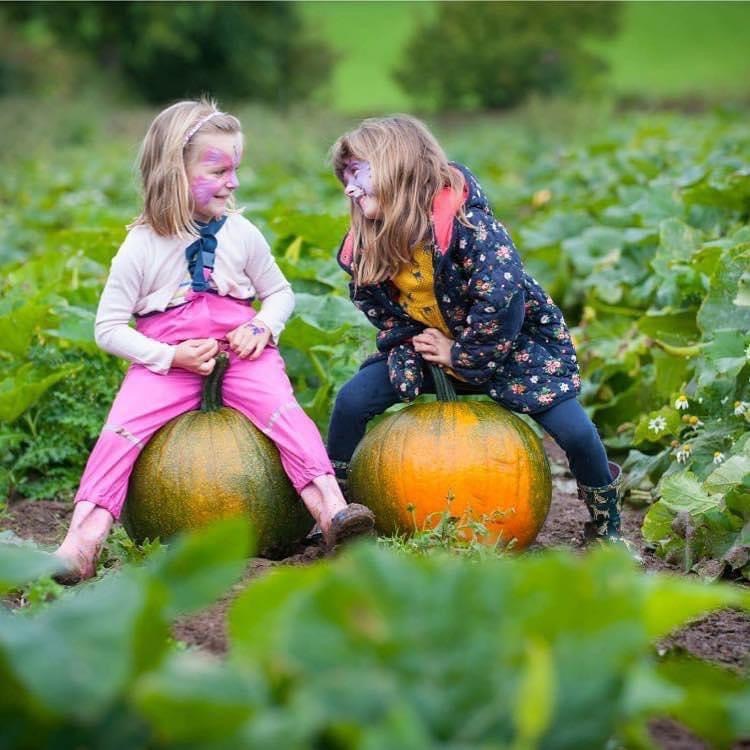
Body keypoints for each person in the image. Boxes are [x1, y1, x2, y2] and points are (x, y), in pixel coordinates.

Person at [53, 100, 374, 582]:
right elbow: (108, 328)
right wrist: (167, 356)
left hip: (243, 352)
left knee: (285, 414)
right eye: (219, 169)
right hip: (168, 360)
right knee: (120, 432)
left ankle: (332, 512)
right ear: (172, 173)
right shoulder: (140, 246)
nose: (234, 181)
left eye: (235, 169)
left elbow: (280, 293)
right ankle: (82, 542)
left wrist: (263, 327)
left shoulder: (242, 233)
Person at [327, 114, 626, 544]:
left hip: (508, 349)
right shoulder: (367, 244)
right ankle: (337, 511)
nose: (350, 188)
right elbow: (379, 307)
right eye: (345, 177)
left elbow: (502, 302)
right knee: (353, 400)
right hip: (431, 348)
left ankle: (607, 528)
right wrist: (412, 345)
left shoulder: (471, 229)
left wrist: (462, 355)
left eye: (358, 174)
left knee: (576, 432)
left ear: (398, 169)